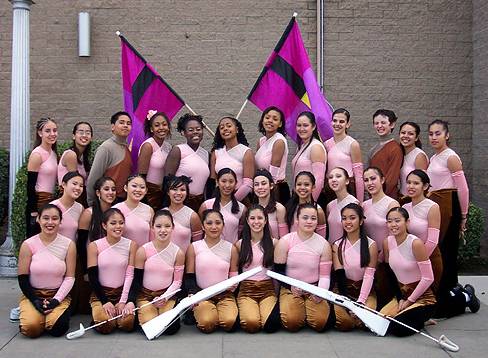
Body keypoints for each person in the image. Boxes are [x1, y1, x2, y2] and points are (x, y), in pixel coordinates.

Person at [426, 119, 478, 317]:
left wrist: (463, 216)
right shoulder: (433, 158)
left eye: (438, 133)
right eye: (431, 134)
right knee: (439, 252)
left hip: (450, 207)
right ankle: (452, 291)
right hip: (436, 208)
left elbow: (462, 188)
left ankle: (460, 295)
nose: (434, 137)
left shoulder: (451, 157)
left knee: (447, 253)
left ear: (446, 135)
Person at [17, 204, 76, 338]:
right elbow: (23, 278)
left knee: (58, 328)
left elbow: (70, 277)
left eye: (55, 219)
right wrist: (35, 301)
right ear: (38, 219)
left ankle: (49, 315)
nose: (50, 223)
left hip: (57, 294)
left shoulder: (68, 244)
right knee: (31, 329)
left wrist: (56, 300)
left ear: (60, 221)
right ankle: (32, 313)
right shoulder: (28, 244)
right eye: (46, 218)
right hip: (33, 294)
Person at [274, 203, 333, 332]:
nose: (309, 222)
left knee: (320, 323)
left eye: (313, 218)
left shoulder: (323, 244)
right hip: (290, 288)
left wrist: (321, 292)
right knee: (292, 322)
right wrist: (290, 287)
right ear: (297, 219)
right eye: (305, 217)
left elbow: (325, 275)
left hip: (314, 287)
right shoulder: (285, 241)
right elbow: (278, 272)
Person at [124, 210, 185, 334]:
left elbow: (177, 281)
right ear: (152, 228)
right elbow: (137, 279)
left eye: (167, 226)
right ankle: (141, 312)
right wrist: (130, 300)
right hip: (146, 296)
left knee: (170, 328)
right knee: (151, 326)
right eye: (158, 226)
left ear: (173, 227)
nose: (163, 230)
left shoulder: (178, 253)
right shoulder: (143, 251)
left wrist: (164, 297)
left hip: (166, 295)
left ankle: (173, 309)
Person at [380, 207, 436, 337]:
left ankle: (422, 320)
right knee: (381, 321)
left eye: (397, 221)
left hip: (424, 299)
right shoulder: (387, 243)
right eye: (389, 221)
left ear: (407, 222)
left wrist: (409, 301)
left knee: (398, 327)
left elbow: (428, 278)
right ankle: (410, 316)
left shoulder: (415, 244)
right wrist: (400, 298)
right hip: (402, 295)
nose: (393, 225)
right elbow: (390, 274)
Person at [185, 209, 239, 333]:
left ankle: (220, 313)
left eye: (218, 223)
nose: (214, 227)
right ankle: (199, 313)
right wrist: (192, 292)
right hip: (203, 295)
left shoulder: (231, 248)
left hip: (225, 295)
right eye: (209, 223)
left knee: (229, 322)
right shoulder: (194, 247)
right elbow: (190, 275)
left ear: (223, 225)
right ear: (203, 226)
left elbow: (234, 275)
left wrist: (233, 284)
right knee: (207, 324)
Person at [87, 208, 138, 334]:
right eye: (113, 223)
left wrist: (123, 301)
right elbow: (92, 277)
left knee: (127, 324)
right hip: (102, 295)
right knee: (106, 326)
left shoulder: (131, 245)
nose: (118, 226)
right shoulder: (95, 246)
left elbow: (131, 275)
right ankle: (100, 316)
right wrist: (105, 301)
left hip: (122, 293)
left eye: (121, 223)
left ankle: (118, 315)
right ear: (104, 225)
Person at [332, 203, 378, 332]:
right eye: (344, 218)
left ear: (361, 221)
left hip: (364, 292)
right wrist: (347, 304)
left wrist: (361, 302)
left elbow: (369, 275)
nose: (348, 222)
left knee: (365, 323)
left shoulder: (371, 245)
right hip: (344, 292)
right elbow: (339, 275)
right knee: (344, 324)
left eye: (352, 218)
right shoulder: (337, 245)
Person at [235, 204, 280, 333]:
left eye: (260, 218)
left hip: (267, 289)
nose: (256, 222)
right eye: (252, 218)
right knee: (251, 325)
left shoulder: (274, 243)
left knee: (270, 325)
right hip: (246, 290)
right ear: (247, 221)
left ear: (266, 220)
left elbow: (276, 272)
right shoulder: (240, 245)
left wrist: (276, 294)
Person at [77, 177, 117, 314]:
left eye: (113, 189)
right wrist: (85, 271)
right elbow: (81, 244)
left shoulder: (116, 212)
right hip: (93, 260)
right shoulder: (89, 214)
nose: (110, 192)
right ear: (98, 193)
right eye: (106, 189)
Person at [362, 166, 399, 309]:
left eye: (373, 179)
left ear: (382, 180)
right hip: (369, 258)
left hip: (387, 259)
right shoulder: (364, 205)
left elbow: (394, 235)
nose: (370, 183)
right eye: (366, 180)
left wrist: (379, 259)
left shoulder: (391, 204)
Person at [164, 113, 210, 212]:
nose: (195, 132)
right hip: (180, 202)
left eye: (198, 129)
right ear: (184, 133)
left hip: (199, 203)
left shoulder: (206, 154)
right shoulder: (178, 150)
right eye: (190, 130)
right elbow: (167, 179)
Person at [86, 111, 133, 205]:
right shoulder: (106, 148)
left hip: (122, 201)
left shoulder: (125, 147)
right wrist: (92, 204)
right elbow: (93, 179)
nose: (125, 126)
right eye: (121, 122)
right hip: (109, 202)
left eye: (128, 123)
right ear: (112, 126)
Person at [26, 118, 59, 237]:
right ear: (40, 133)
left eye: (54, 130)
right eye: (48, 131)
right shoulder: (37, 154)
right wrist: (33, 211)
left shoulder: (54, 153)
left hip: (50, 201)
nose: (52, 134)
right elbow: (30, 184)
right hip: (39, 201)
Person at [210, 116, 255, 203]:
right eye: (222, 127)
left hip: (241, 199)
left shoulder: (246, 152)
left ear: (237, 129)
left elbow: (248, 183)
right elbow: (214, 181)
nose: (225, 129)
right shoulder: (216, 153)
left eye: (229, 126)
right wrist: (220, 201)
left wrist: (232, 201)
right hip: (219, 199)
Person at [325, 108, 364, 203]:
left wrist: (360, 201)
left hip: (347, 188)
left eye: (341, 121)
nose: (337, 124)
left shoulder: (352, 144)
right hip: (330, 188)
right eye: (335, 121)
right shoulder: (326, 144)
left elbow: (359, 175)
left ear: (348, 124)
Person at [199, 168, 246, 245]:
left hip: (231, 251)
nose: (227, 185)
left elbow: (240, 233)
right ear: (217, 182)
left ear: (236, 183)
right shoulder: (206, 205)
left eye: (231, 181)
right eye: (223, 181)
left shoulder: (241, 209)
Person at [254, 106, 290, 204]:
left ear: (280, 124)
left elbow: (274, 170)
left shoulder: (279, 140)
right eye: (267, 117)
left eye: (275, 119)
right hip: (262, 188)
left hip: (276, 188)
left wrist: (270, 193)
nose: (270, 121)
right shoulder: (261, 141)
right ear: (262, 120)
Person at [138, 110, 172, 211]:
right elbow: (141, 175)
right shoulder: (148, 146)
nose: (161, 128)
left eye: (164, 124)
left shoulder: (168, 147)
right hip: (149, 194)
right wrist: (143, 198)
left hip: (163, 193)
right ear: (151, 129)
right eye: (157, 125)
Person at [291, 111, 327, 203]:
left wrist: (311, 202)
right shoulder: (301, 147)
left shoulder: (315, 147)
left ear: (313, 126)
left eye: (305, 125)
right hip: (299, 196)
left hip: (311, 198)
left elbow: (319, 179)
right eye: (299, 125)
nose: (301, 129)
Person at [161, 175, 203, 253]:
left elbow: (197, 244)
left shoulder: (192, 216)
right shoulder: (161, 214)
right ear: (168, 192)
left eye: (182, 190)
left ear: (187, 193)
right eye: (174, 189)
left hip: (184, 261)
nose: (178, 193)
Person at [368, 109, 403, 200]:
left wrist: (380, 197)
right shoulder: (373, 149)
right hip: (373, 196)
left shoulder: (395, 149)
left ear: (392, 124)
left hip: (387, 198)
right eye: (376, 123)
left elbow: (392, 179)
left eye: (383, 123)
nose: (379, 126)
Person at [113, 174, 154, 247]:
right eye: (134, 186)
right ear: (126, 188)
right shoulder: (116, 210)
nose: (138, 190)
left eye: (142, 187)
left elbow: (153, 236)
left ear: (146, 191)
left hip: (143, 255)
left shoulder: (149, 210)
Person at [285, 171, 326, 237]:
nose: (302, 188)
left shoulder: (318, 211)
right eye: (299, 184)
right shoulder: (289, 208)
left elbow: (322, 237)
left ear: (313, 188)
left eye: (306, 184)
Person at [326, 167, 359, 244]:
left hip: (346, 248)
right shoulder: (330, 205)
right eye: (331, 177)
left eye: (338, 176)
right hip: (331, 248)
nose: (334, 179)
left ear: (347, 181)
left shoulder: (354, 203)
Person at [252, 169, 288, 239]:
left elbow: (284, 238)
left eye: (264, 183)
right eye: (256, 184)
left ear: (271, 186)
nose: (260, 187)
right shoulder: (251, 209)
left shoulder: (279, 209)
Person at [50, 172, 85, 242]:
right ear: (63, 184)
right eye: (74, 184)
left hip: (71, 250)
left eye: (81, 186)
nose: (78, 188)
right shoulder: (52, 206)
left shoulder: (80, 208)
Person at [398, 122, 428, 199]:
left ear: (416, 138)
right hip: (403, 198)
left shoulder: (419, 155)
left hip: (414, 200)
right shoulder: (400, 154)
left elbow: (422, 182)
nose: (405, 136)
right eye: (403, 133)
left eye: (410, 134)